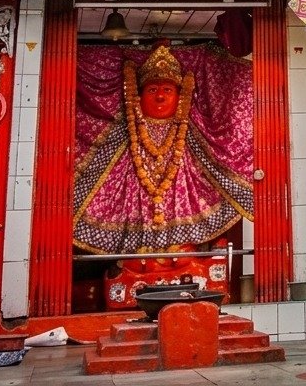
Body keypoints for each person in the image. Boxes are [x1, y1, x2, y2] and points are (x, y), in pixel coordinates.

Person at [73, 41, 254, 255]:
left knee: (184, 255)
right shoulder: (124, 130)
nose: (160, 96)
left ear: (181, 96)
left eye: (167, 89)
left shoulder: (191, 129)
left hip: (185, 228)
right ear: (137, 97)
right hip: (131, 212)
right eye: (152, 90)